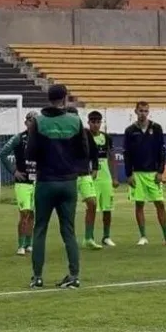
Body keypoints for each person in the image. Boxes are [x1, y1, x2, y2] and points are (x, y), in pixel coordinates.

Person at [26, 84, 88, 288]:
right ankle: (74, 275)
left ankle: (37, 277)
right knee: (68, 230)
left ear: (49, 98)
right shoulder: (75, 121)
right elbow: (84, 152)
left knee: (40, 229)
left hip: (46, 182)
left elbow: (31, 153)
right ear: (65, 98)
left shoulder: (38, 121)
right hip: (68, 182)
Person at [123, 101, 166, 246]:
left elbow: (162, 150)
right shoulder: (130, 131)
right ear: (135, 111)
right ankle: (143, 236)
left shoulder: (156, 128)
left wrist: (160, 171)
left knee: (160, 203)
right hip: (137, 173)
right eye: (140, 111)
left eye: (145, 111)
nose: (143, 113)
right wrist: (129, 174)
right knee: (139, 204)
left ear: (148, 112)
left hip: (153, 173)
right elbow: (127, 154)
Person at [0, 111, 38, 256]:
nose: (32, 123)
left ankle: (29, 244)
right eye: (30, 120)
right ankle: (20, 245)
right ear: (26, 122)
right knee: (24, 212)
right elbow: (3, 153)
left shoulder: (42, 139)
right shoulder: (19, 138)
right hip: (23, 182)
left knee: (33, 213)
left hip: (36, 181)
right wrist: (14, 171)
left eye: (35, 121)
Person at [69, 107, 102, 250]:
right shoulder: (62, 135)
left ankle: (88, 237)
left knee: (93, 203)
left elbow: (94, 152)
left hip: (84, 174)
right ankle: (69, 239)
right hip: (69, 176)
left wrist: (95, 168)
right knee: (69, 209)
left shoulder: (85, 133)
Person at [88, 111, 118, 247]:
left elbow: (111, 157)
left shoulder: (106, 138)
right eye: (93, 122)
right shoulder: (84, 137)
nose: (95, 125)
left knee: (107, 208)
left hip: (105, 177)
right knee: (92, 207)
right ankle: (90, 236)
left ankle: (106, 236)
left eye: (98, 122)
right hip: (91, 177)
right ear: (88, 123)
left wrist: (114, 177)